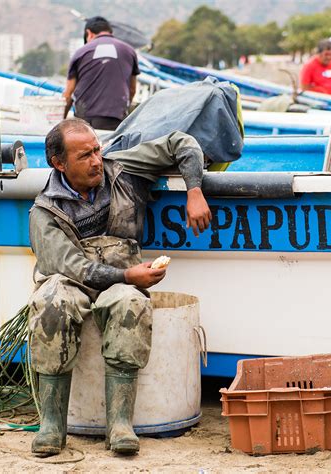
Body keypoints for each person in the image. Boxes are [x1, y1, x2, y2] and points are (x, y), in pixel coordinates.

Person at [28, 118, 211, 457]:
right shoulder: (44, 212)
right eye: (84, 156)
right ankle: (52, 425)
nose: (97, 160)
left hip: (122, 281)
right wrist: (129, 277)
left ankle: (120, 424)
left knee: (130, 303)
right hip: (72, 282)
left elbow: (181, 142)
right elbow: (73, 268)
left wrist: (194, 190)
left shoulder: (123, 169)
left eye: (97, 150)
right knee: (52, 303)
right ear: (59, 163)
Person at [63, 16, 140, 131]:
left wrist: (62, 119)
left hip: (85, 120)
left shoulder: (80, 52)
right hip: (116, 118)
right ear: (110, 32)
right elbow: (132, 89)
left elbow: (68, 94)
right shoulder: (129, 51)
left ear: (89, 33)